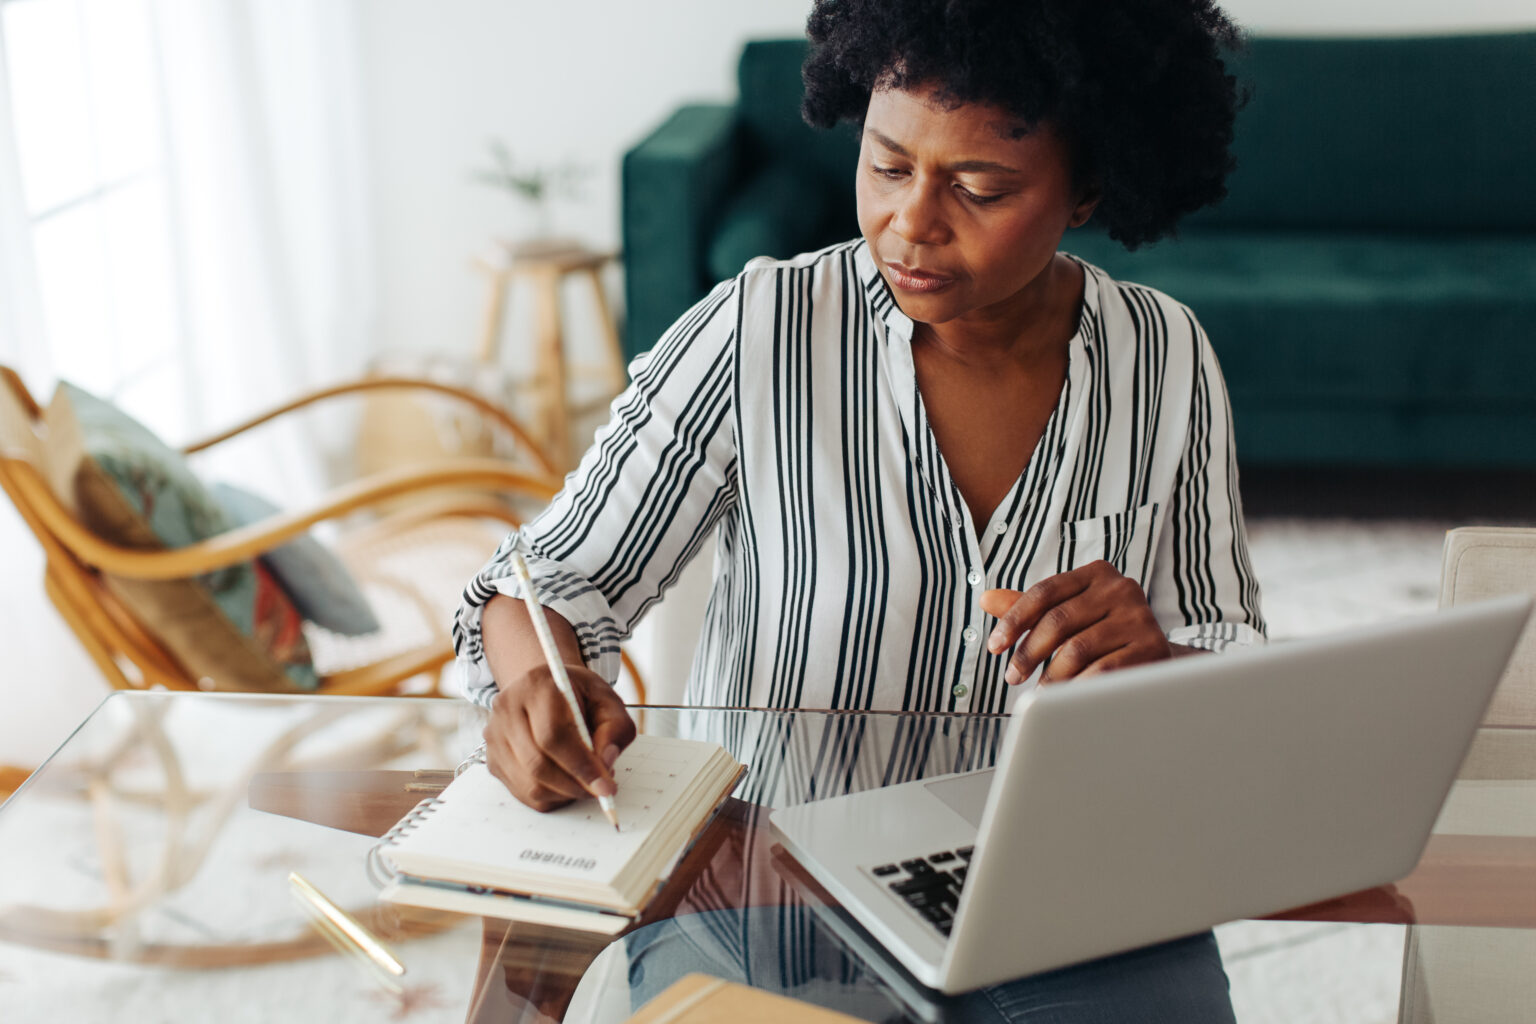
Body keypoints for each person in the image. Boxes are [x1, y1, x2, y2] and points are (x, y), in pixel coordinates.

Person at [456, 2, 1260, 1015]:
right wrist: (544, 684)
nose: (913, 222)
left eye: (980, 187)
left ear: (1089, 188)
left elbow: (1227, 657)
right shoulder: (762, 332)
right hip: (772, 884)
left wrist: (1164, 665)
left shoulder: (1164, 356)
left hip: (1066, 891)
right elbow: (554, 578)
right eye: (887, 165)